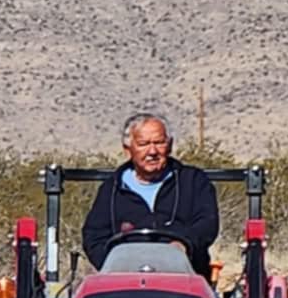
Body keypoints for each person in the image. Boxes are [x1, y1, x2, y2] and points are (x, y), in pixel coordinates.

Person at [82, 113, 219, 278]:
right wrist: (116, 264)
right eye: (143, 144)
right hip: (126, 281)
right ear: (128, 149)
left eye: (159, 143)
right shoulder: (112, 189)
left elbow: (207, 224)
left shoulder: (193, 181)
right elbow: (94, 237)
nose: (152, 151)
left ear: (169, 146)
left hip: (184, 279)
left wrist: (184, 245)